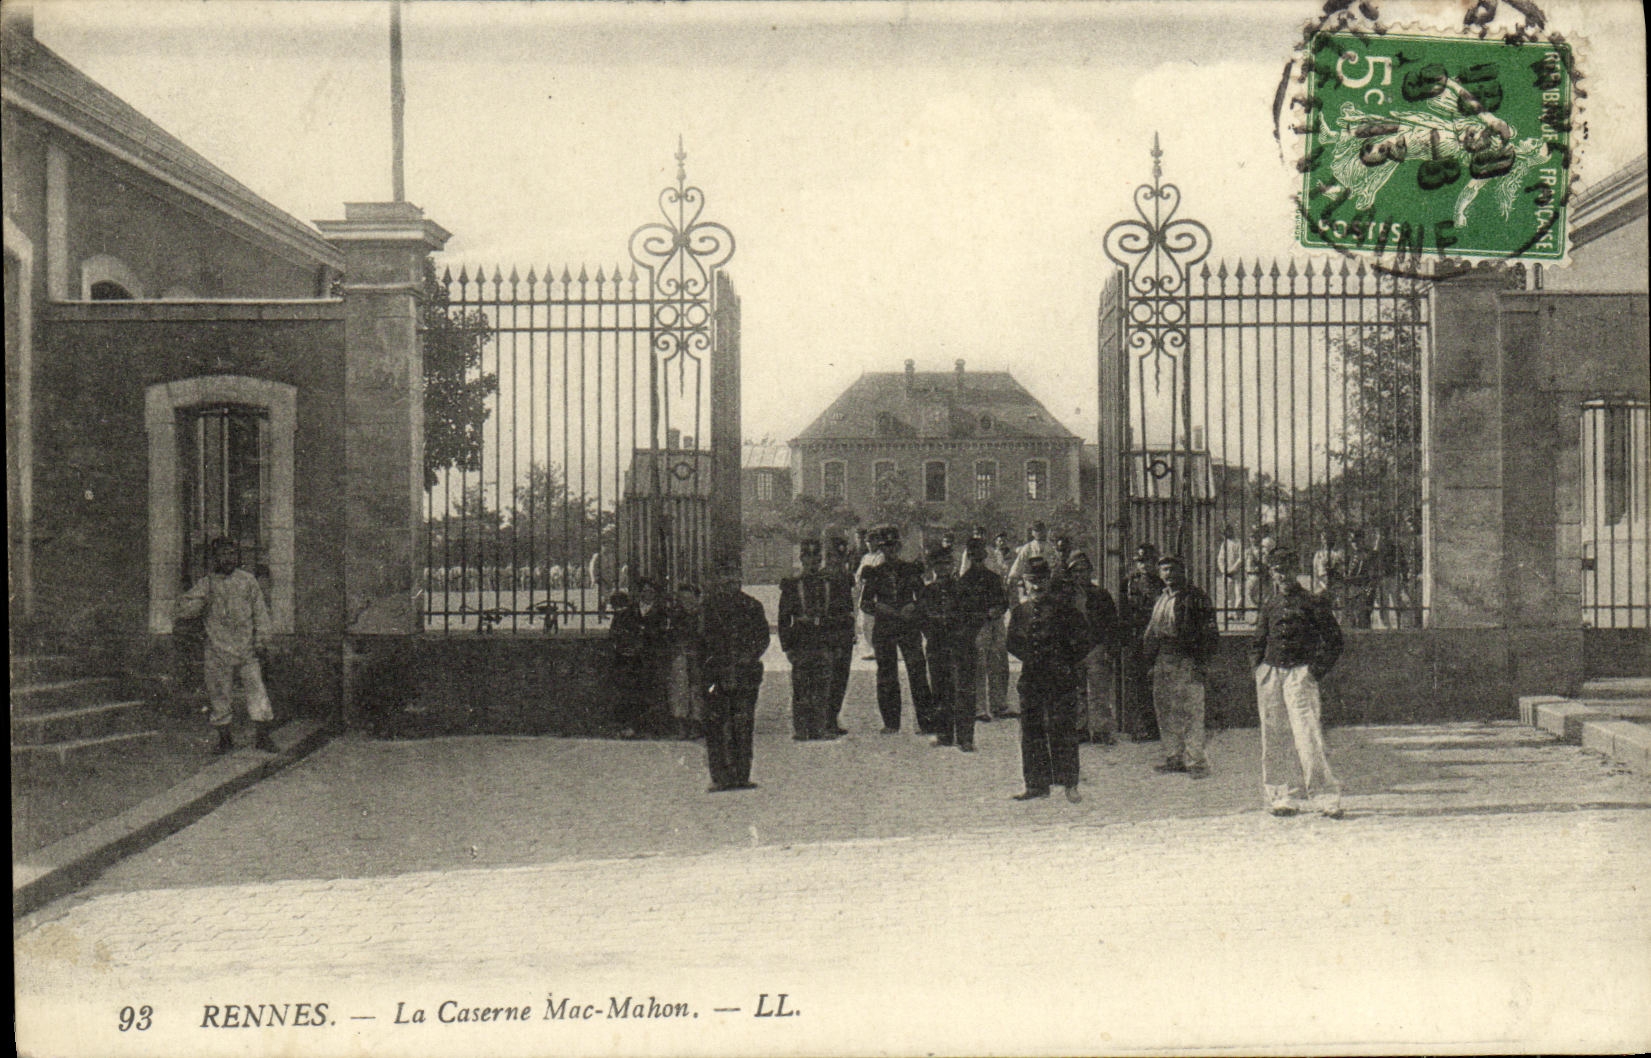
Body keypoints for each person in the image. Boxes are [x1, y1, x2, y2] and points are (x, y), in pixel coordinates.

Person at [1252, 547, 1345, 818]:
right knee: (1274, 737)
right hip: (1271, 675)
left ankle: (1325, 796)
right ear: (1271, 573)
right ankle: (1282, 796)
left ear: (1296, 571)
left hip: (1300, 675)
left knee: (1308, 735)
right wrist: (1259, 669)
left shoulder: (1313, 602)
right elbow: (1258, 641)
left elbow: (1335, 641)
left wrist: (1313, 671)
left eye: (1287, 570)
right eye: (1277, 570)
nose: (1282, 576)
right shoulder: (1270, 604)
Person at [174, 537, 276, 754]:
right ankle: (225, 740)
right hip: (217, 649)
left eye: (231, 554)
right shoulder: (207, 584)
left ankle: (263, 737)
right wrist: (199, 602)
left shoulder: (248, 581)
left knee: (257, 692)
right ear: (215, 558)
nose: (228, 559)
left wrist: (262, 640)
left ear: (237, 556)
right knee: (219, 695)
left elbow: (260, 613)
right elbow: (183, 610)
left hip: (246, 649)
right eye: (223, 554)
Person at [1006, 557, 1090, 803]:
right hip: (1032, 679)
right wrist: (1031, 657)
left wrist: (1065, 661)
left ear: (1048, 580)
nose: (1037, 586)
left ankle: (1069, 783)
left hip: (1060, 679)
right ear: (1024, 582)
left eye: (1041, 580)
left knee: (1063, 729)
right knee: (1031, 731)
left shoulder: (1065, 610)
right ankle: (1036, 784)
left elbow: (1084, 639)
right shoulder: (1020, 612)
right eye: (1031, 581)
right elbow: (1012, 643)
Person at [1142, 554, 1220, 778]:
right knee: (1166, 709)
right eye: (1164, 569)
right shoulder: (1162, 598)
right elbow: (1152, 631)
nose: (1168, 574)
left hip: (1186, 659)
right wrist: (1150, 660)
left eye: (1172, 569)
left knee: (1191, 711)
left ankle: (1196, 761)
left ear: (1182, 571)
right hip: (1163, 659)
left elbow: (1209, 633)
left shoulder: (1195, 598)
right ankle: (1173, 756)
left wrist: (1200, 663)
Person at [859, 525, 937, 734]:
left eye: (894, 546)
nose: (890, 551)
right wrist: (879, 607)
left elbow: (923, 597)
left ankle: (926, 723)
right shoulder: (875, 573)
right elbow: (865, 603)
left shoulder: (910, 570)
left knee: (917, 672)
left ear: (899, 547)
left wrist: (913, 606)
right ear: (881, 549)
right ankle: (891, 723)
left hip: (908, 626)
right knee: (886, 675)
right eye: (886, 547)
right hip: (885, 628)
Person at [700, 565, 770, 792]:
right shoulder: (709, 608)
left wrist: (748, 656)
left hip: (745, 674)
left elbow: (762, 638)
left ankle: (741, 774)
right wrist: (715, 663)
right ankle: (720, 776)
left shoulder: (752, 606)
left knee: (743, 724)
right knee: (716, 725)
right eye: (725, 579)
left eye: (733, 579)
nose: (729, 583)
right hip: (716, 673)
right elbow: (702, 639)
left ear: (740, 580)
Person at [778, 539, 854, 741]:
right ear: (802, 559)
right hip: (802, 640)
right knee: (801, 685)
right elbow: (784, 619)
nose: (812, 561)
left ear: (820, 560)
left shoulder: (830, 583)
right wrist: (787, 647)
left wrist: (837, 642)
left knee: (823, 684)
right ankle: (801, 728)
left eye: (816, 558)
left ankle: (820, 727)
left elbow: (840, 614)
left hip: (824, 639)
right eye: (808, 557)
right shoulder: (792, 585)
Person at [916, 544, 987, 751]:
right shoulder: (927, 591)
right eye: (938, 564)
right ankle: (944, 734)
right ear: (932, 567)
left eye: (947, 563)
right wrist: (933, 634)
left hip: (962, 648)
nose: (943, 568)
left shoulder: (965, 589)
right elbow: (921, 618)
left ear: (953, 565)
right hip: (937, 647)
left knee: (964, 691)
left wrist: (963, 636)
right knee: (940, 690)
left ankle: (965, 738)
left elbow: (977, 616)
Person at [1064, 550, 1119, 745]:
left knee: (1099, 691)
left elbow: (1112, 624)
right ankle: (1080, 728)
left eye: (1083, 570)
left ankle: (1101, 729)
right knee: (1076, 690)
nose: (1080, 575)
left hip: (1096, 647)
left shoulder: (1101, 595)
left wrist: (1109, 649)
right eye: (1075, 571)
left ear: (1090, 572)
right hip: (1073, 649)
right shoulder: (1065, 597)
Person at [609, 579, 668, 739]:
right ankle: (629, 726)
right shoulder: (627, 612)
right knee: (629, 693)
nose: (647, 594)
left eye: (651, 591)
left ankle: (648, 727)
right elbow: (615, 633)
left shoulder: (662, 613)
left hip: (650, 659)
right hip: (630, 659)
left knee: (650, 692)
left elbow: (664, 636)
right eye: (644, 590)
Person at [961, 536, 1012, 721]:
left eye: (980, 555)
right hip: (977, 627)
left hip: (996, 625)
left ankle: (999, 704)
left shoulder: (994, 577)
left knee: (999, 664)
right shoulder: (965, 581)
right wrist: (984, 614)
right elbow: (963, 608)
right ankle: (979, 708)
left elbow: (1004, 600)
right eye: (973, 555)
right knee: (979, 666)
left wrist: (999, 609)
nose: (978, 559)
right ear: (969, 557)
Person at [1120, 542, 1164, 741]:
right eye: (1141, 561)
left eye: (1149, 561)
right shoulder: (1129, 583)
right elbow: (1123, 612)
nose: (1144, 565)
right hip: (1135, 638)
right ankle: (1141, 726)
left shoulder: (1161, 584)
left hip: (1155, 638)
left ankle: (1157, 726)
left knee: (1156, 682)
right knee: (1137, 684)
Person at [824, 536, 857, 734]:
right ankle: (825, 720)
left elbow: (850, 607)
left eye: (841, 557)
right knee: (828, 677)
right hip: (829, 633)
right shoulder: (822, 578)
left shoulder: (846, 577)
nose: (837, 561)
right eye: (834, 557)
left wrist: (851, 631)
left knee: (841, 678)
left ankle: (832, 718)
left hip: (844, 633)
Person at [664, 583, 705, 741]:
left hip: (698, 655)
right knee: (679, 689)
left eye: (689, 599)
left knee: (697, 689)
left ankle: (696, 724)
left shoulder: (702, 615)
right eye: (682, 599)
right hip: (680, 655)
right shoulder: (675, 615)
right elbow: (670, 635)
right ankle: (681, 724)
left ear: (697, 599)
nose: (685, 603)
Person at [854, 529, 885, 661]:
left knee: (871, 621)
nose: (870, 544)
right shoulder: (865, 557)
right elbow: (859, 574)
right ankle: (868, 648)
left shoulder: (880, 556)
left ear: (877, 542)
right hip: (864, 590)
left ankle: (876, 649)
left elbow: (877, 573)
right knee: (863, 622)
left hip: (874, 591)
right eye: (868, 542)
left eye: (872, 541)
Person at [1006, 521, 1053, 599]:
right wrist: (1012, 577)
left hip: (1045, 579)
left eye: (1041, 530)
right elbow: (1019, 562)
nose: (1039, 533)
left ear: (1044, 531)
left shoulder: (1050, 547)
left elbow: (1055, 564)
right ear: (1032, 533)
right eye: (1036, 531)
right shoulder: (1027, 547)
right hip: (1030, 580)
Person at [1340, 528, 1374, 629]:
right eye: (1352, 541)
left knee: (1361, 619)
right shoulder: (1349, 555)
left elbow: (1369, 576)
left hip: (1361, 590)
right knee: (1348, 620)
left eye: (1357, 540)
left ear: (1362, 540)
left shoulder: (1367, 555)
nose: (1354, 543)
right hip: (1349, 591)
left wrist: (1350, 579)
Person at [1243, 525, 1275, 614]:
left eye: (1255, 537)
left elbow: (1266, 563)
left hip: (1260, 575)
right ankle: (1258, 613)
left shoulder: (1263, 550)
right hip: (1250, 576)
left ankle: (1262, 614)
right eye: (1251, 537)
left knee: (1265, 598)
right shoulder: (1247, 550)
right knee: (1251, 597)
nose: (1253, 539)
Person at [1217, 523, 1245, 620]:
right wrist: (1224, 570)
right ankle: (1230, 613)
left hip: (1237, 572)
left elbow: (1241, 558)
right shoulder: (1224, 544)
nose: (1227, 533)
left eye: (1228, 531)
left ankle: (1237, 613)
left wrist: (1233, 569)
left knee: (1239, 593)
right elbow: (1220, 558)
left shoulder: (1238, 543)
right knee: (1228, 594)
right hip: (1227, 573)